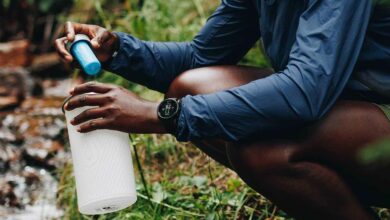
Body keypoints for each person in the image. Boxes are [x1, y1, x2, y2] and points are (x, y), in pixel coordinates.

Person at [55, 0, 390, 219]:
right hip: (354, 118)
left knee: (261, 148)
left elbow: (305, 91)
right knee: (192, 86)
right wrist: (118, 52)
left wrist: (162, 115)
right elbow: (200, 58)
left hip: (379, 130)